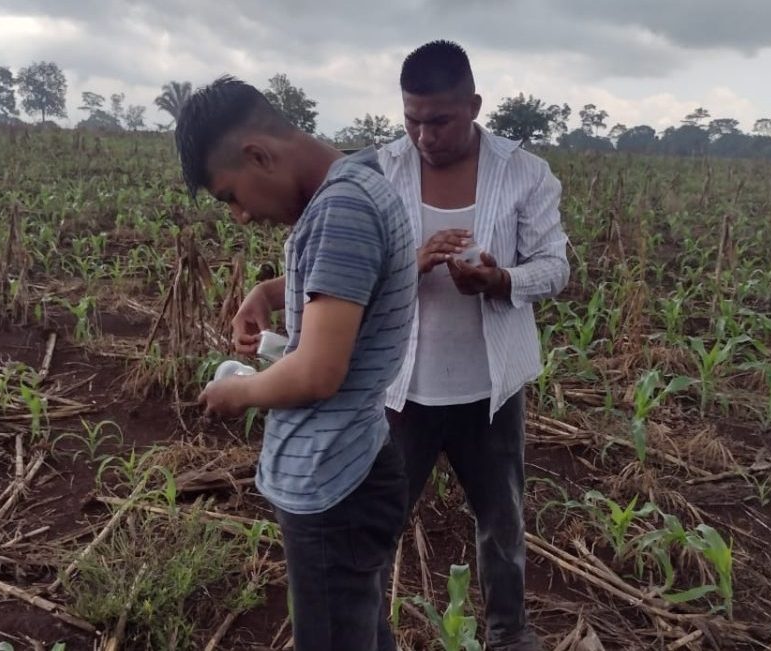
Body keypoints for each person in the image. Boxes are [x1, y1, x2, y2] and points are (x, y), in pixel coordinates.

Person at [182, 76, 418, 651]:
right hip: (351, 463)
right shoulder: (360, 182)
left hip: (335, 480)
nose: (238, 215)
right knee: (356, 629)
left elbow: (316, 371)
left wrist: (237, 393)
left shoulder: (341, 209)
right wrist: (268, 289)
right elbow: (357, 276)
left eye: (230, 195)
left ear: (258, 154)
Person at [378, 40, 571, 651]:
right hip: (402, 389)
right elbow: (354, 268)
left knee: (502, 524)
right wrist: (411, 263)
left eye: (439, 120)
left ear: (475, 105)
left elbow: (556, 267)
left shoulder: (525, 173)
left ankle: (509, 635)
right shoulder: (381, 171)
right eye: (412, 119)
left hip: (490, 389)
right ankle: (364, 631)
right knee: (379, 522)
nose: (424, 135)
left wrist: (501, 280)